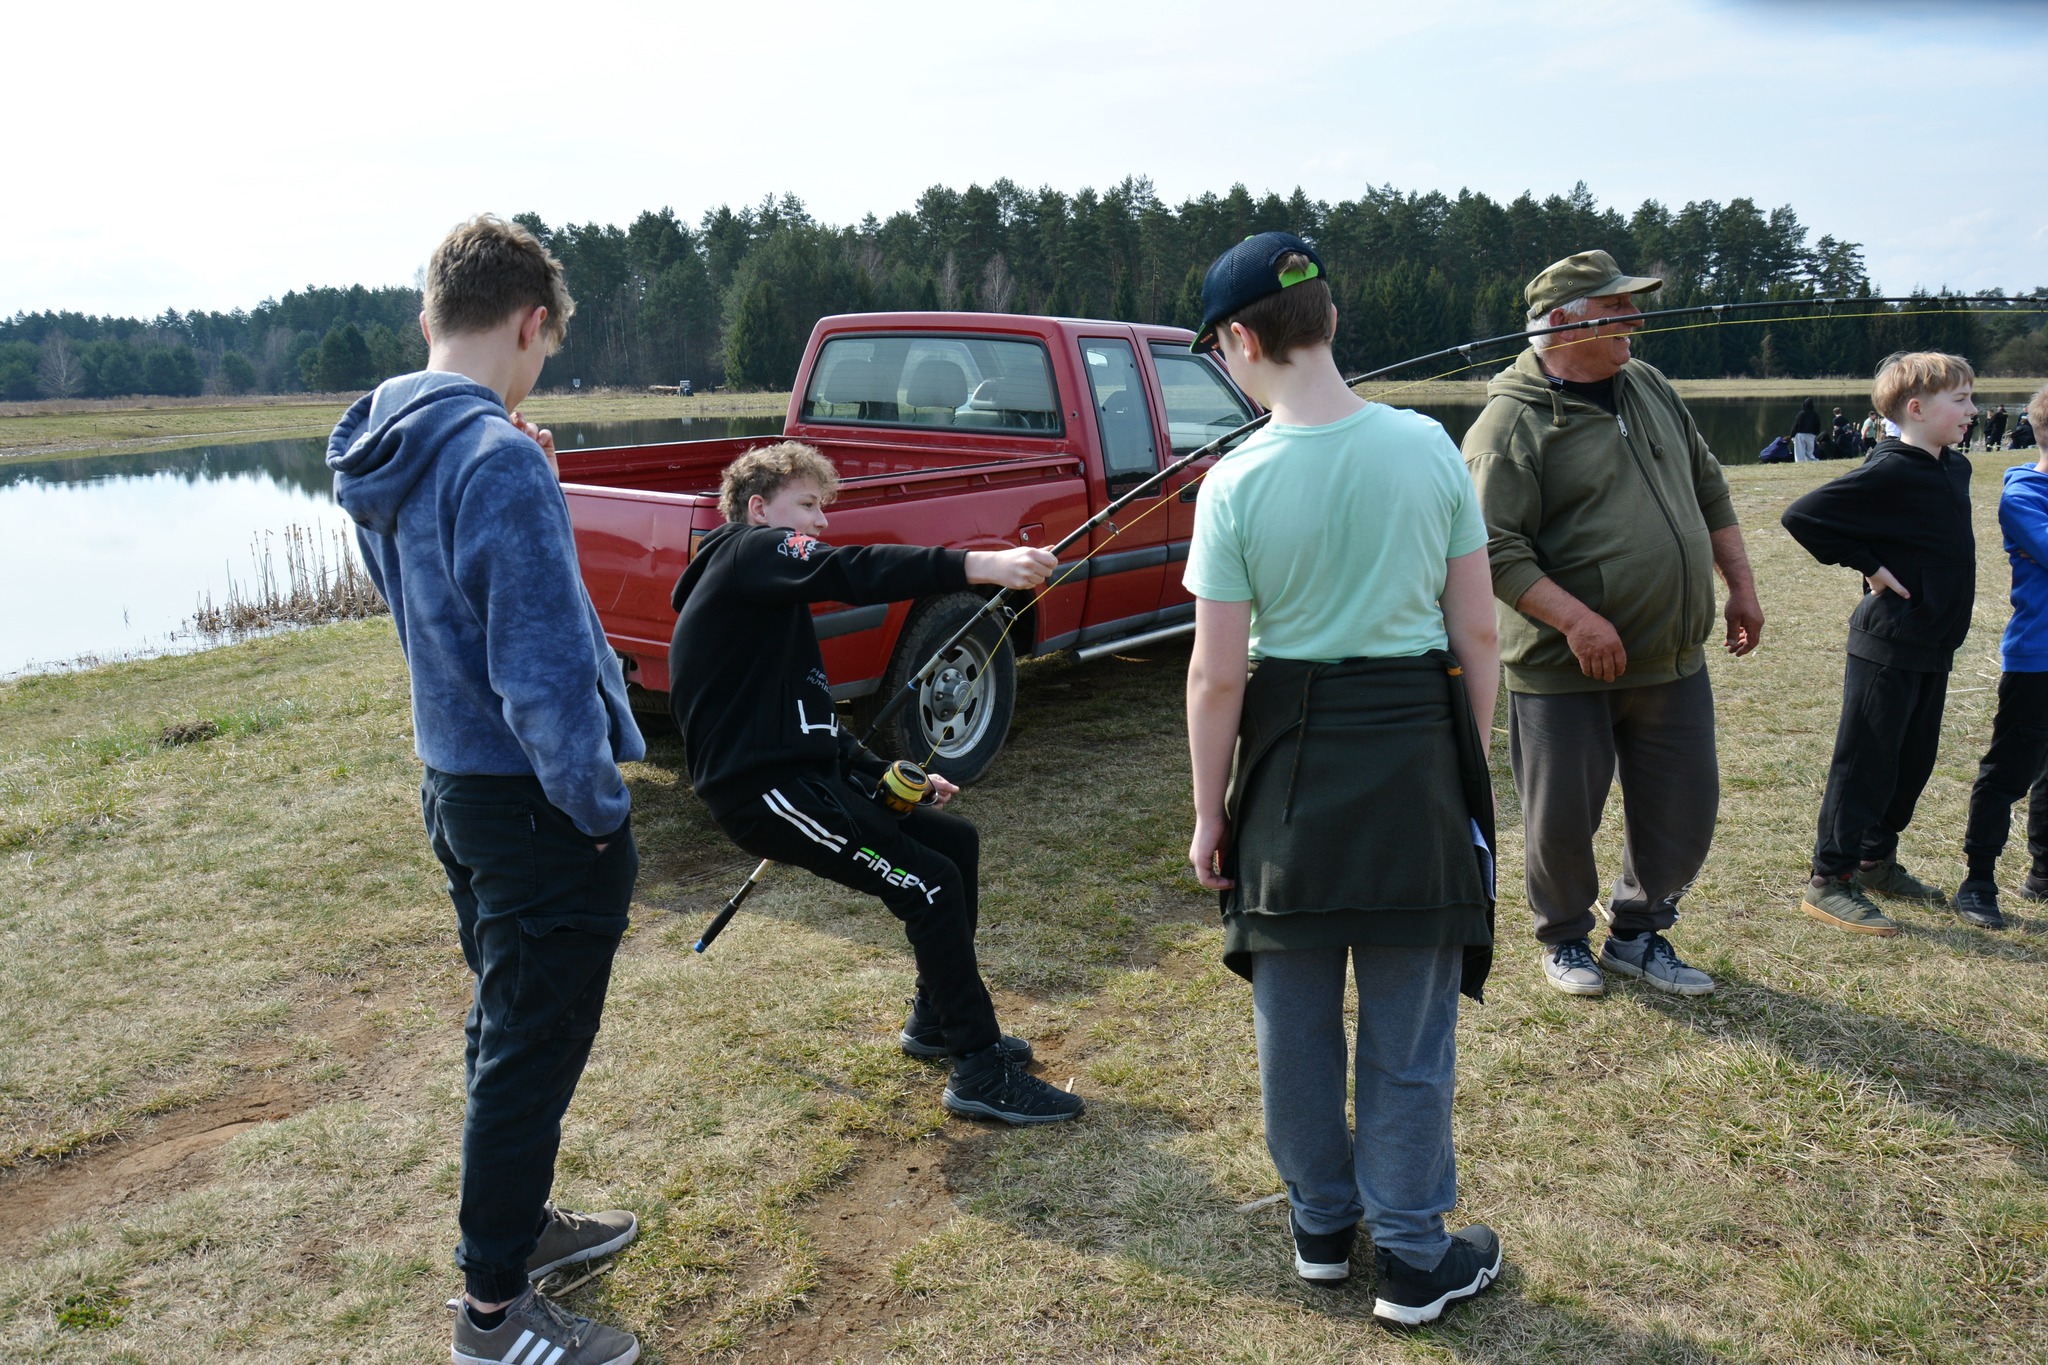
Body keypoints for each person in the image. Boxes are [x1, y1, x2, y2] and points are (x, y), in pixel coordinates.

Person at [327, 215, 645, 1365]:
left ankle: (517, 1231)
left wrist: (527, 473)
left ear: (429, 319)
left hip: (455, 788)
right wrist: (599, 810)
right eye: (546, 347)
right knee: (528, 1048)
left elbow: (443, 614)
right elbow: (542, 676)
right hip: (531, 804)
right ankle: (494, 1317)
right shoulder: (494, 459)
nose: (540, 363)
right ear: (531, 322)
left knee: (507, 1027)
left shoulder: (387, 440)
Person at [1182, 231, 1503, 1326]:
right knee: (1409, 1030)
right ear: (1329, 318)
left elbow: (1217, 677)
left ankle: (1321, 1227)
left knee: (1295, 1022)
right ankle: (1412, 1254)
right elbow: (1478, 634)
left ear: (1239, 340)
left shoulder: (1232, 482)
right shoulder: (1427, 447)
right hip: (1415, 758)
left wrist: (1207, 814)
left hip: (1286, 774)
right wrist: (1463, 768)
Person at [667, 441, 1083, 1127]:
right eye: (808, 505)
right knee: (930, 885)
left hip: (807, 777)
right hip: (765, 794)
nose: (821, 522)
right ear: (759, 508)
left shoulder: (766, 598)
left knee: (954, 846)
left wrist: (882, 774)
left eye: (822, 508)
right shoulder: (747, 550)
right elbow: (852, 569)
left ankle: (937, 1019)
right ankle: (979, 1070)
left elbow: (814, 725)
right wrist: (980, 565)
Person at [1463, 250, 1763, 999]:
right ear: (1563, 324)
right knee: (1561, 817)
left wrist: (1741, 585)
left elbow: (1708, 486)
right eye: (1617, 308)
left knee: (1684, 807)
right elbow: (1491, 549)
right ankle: (1563, 935)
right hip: (1562, 667)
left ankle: (1638, 932)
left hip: (1670, 656)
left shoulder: (1650, 385)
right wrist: (1577, 621)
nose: (1637, 318)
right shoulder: (1507, 425)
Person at [1782, 352, 1978, 935]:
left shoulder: (1956, 467)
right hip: (1888, 643)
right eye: (1961, 400)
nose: (1972, 410)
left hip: (1934, 643)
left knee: (1911, 763)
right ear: (1916, 408)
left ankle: (1874, 859)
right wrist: (1867, 564)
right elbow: (1804, 516)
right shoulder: (1889, 468)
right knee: (1866, 762)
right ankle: (1829, 878)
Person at [1955, 384, 2048, 927]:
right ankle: (1978, 881)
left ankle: (2043, 873)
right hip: (2037, 659)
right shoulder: (2024, 496)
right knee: (2008, 772)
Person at [1793, 396, 1823, 462]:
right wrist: (1816, 433)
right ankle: (1811, 460)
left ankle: (1799, 462)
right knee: (1809, 451)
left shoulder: (1800, 414)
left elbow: (1796, 425)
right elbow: (1817, 424)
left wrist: (1792, 434)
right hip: (1810, 434)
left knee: (1799, 451)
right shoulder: (1815, 414)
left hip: (1800, 434)